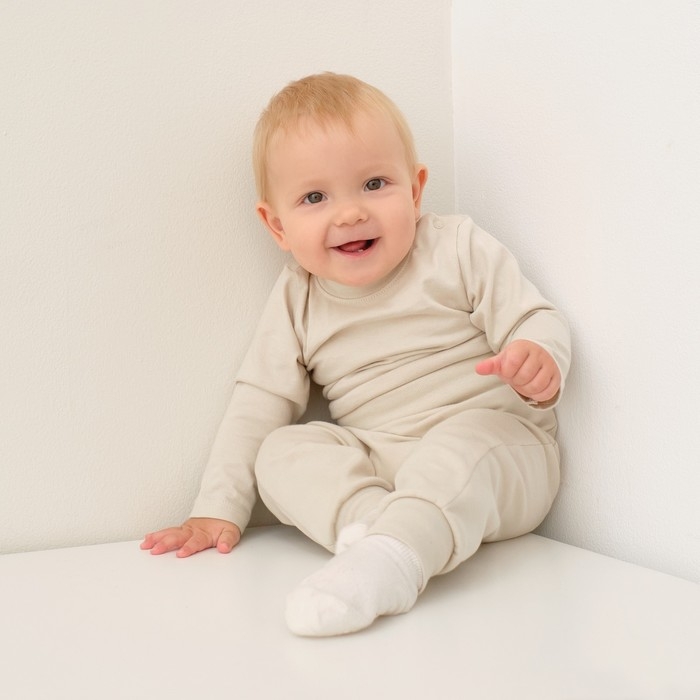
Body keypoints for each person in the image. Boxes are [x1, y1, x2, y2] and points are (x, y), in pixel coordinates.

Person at [141, 72, 571, 637]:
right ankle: (375, 532)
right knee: (280, 451)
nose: (349, 214)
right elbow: (258, 404)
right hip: (384, 464)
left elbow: (534, 316)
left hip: (500, 451)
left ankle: (396, 555)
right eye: (315, 197)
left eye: (374, 184)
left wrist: (538, 354)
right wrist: (216, 508)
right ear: (277, 225)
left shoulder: (455, 246)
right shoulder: (298, 297)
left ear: (415, 191)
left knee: (463, 444)